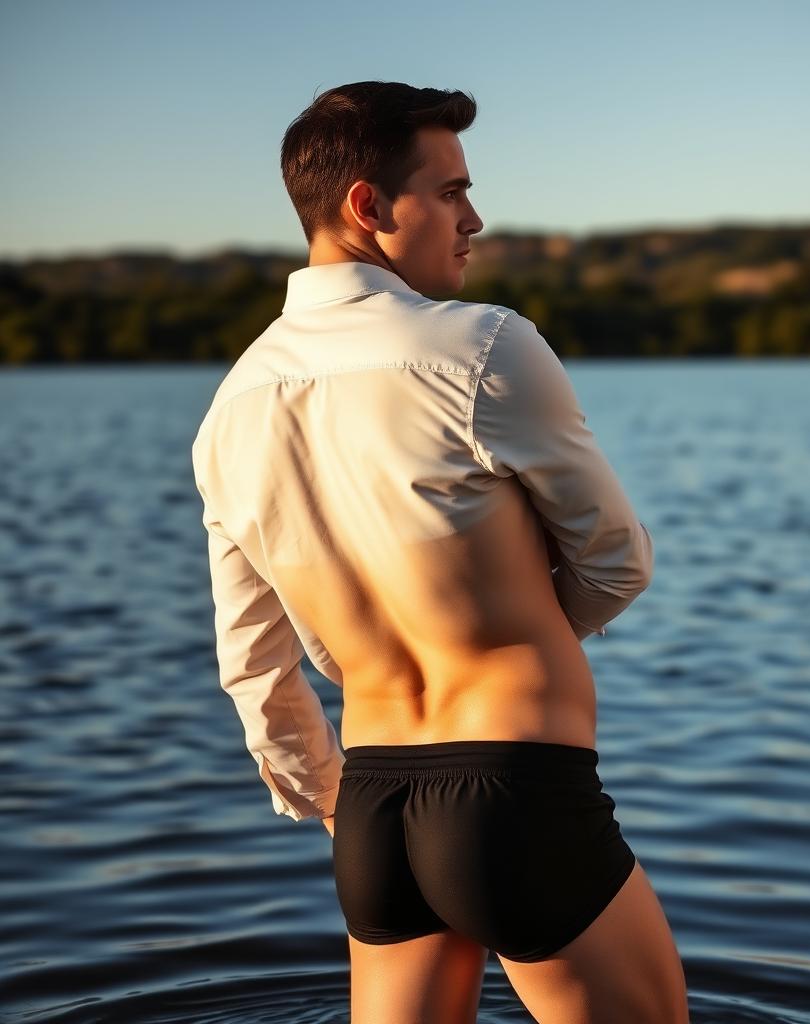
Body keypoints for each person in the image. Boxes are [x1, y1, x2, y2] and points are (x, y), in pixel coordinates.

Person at [191, 80, 689, 1024]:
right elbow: (617, 558)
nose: (475, 217)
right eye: (451, 191)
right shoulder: (482, 346)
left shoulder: (232, 405)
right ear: (368, 207)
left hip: (374, 809)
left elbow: (252, 669)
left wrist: (344, 809)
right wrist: (521, 632)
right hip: (516, 791)